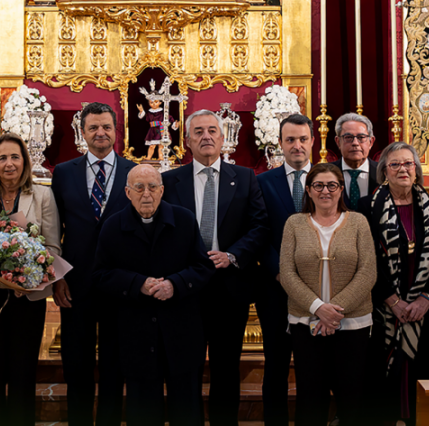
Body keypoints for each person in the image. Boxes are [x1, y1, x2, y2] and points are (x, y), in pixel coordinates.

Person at [161, 109, 268, 426]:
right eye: (198, 132)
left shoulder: (246, 177)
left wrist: (232, 255)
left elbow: (260, 226)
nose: (206, 136)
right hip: (186, 290)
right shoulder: (169, 181)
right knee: (185, 368)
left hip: (228, 289)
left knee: (225, 367)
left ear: (223, 139)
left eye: (212, 131)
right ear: (187, 140)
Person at [93, 164, 214, 426]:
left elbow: (203, 267)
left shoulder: (183, 220)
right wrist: (138, 284)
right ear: (127, 192)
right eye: (139, 188)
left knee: (187, 409)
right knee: (143, 411)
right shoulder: (113, 226)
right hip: (135, 334)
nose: (146, 194)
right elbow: (100, 275)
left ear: (162, 191)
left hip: (180, 330)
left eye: (152, 187)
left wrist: (175, 284)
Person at [0, 132, 61, 426]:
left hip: (26, 299)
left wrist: (32, 280)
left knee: (22, 371)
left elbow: (52, 246)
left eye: (15, 157)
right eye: (2, 157)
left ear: (24, 161)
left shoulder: (42, 195)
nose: (9, 164)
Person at [51, 102, 135, 426]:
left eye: (106, 127)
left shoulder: (134, 172)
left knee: (115, 366)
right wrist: (58, 278)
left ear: (116, 131)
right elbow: (53, 228)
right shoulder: (64, 172)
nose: (100, 133)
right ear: (82, 133)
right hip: (76, 284)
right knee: (77, 364)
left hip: (120, 286)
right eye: (93, 128)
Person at [361, 141, 429, 425]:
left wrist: (426, 298)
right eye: (395, 164)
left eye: (408, 164)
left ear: (416, 170)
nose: (402, 169)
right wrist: (392, 300)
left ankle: (417, 420)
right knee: (381, 368)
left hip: (420, 307)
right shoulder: (367, 207)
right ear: (384, 172)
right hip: (383, 308)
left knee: (417, 367)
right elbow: (367, 259)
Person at [280, 163, 376, 426]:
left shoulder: (358, 222)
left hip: (352, 323)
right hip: (305, 323)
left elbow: (368, 272)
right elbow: (287, 273)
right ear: (308, 190)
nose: (325, 191)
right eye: (318, 186)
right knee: (311, 399)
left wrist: (333, 310)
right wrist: (317, 307)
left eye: (332, 185)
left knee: (352, 397)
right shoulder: (294, 224)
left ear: (341, 189)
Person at [255, 113, 315, 426]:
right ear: (279, 143)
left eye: (302, 139)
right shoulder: (262, 182)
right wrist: (281, 272)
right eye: (290, 139)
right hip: (275, 289)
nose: (296, 145)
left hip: (320, 290)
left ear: (312, 142)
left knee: (312, 368)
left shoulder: (327, 179)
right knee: (276, 364)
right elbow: (257, 232)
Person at [334, 113, 378, 210]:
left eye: (361, 137)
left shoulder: (383, 173)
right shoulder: (327, 173)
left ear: (371, 142)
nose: (355, 143)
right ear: (338, 142)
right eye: (348, 137)